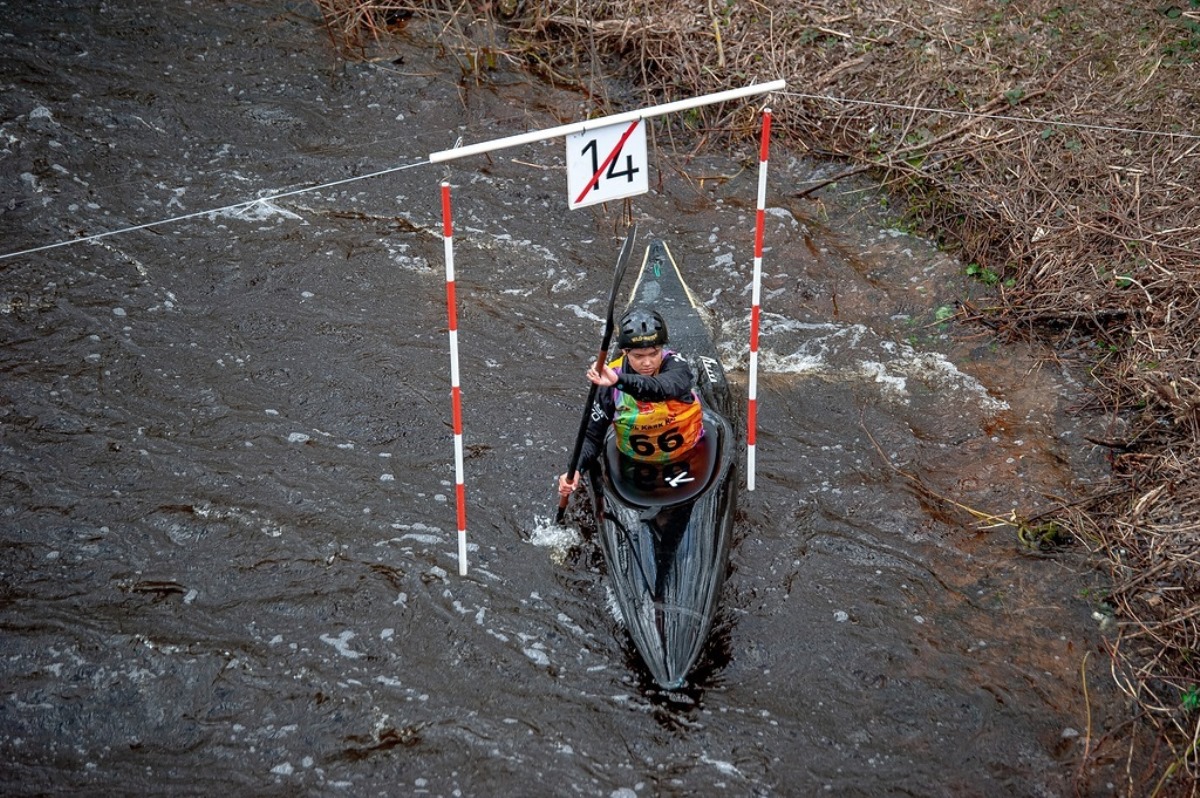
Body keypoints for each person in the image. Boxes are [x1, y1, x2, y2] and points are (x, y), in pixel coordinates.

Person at [558, 307, 704, 497]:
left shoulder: (676, 365)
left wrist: (619, 382)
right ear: (625, 352)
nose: (648, 363)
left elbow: (660, 388)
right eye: (638, 356)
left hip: (689, 452)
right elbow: (592, 437)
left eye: (654, 353)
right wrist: (575, 469)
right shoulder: (608, 379)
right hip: (636, 462)